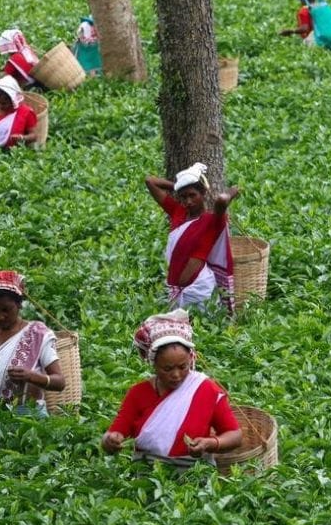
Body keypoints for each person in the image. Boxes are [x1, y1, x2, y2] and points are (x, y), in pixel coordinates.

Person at [102, 309, 242, 467]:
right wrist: (110, 441)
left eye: (183, 367)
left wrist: (210, 443)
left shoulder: (206, 389)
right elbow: (115, 432)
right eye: (167, 369)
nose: (176, 375)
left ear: (191, 358)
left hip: (195, 477)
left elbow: (235, 436)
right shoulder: (139, 394)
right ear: (153, 364)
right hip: (148, 477)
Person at [0, 271, 64, 419]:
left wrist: (31, 376)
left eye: (6, 310)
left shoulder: (38, 333)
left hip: (30, 415)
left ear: (19, 304)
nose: (0, 316)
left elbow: (59, 382)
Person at [144, 163, 237, 311]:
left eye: (193, 195)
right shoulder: (177, 212)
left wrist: (233, 191)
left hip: (200, 289)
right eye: (184, 197)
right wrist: (178, 185)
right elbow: (150, 181)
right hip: (175, 290)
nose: (188, 201)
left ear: (203, 194)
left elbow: (221, 201)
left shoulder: (211, 221)